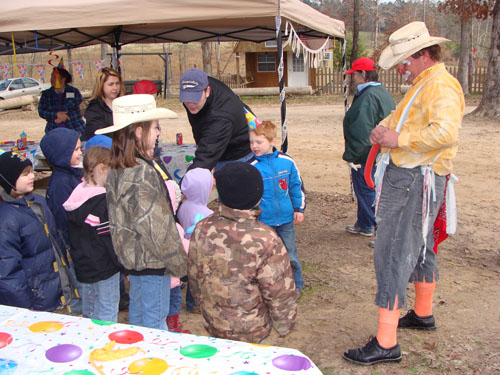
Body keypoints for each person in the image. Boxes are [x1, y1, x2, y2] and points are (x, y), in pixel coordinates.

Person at [343, 22, 465, 365]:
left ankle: (386, 341)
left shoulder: (439, 86)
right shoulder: (425, 84)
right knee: (420, 245)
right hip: (418, 177)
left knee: (392, 250)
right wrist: (385, 129)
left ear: (423, 55)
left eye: (405, 60)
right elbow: (405, 117)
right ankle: (422, 313)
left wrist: (397, 140)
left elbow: (444, 133)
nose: (401, 67)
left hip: (414, 177)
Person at [96, 94, 187, 330]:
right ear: (138, 131)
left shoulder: (120, 166)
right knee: (155, 324)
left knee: (139, 320)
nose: (158, 132)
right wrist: (180, 265)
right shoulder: (141, 172)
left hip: (134, 261)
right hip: (152, 262)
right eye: (155, 127)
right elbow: (156, 228)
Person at [187, 162, 298, 343]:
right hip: (252, 330)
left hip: (214, 321)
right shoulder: (265, 238)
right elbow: (278, 290)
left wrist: (201, 304)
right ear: (257, 197)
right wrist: (285, 323)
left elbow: (194, 274)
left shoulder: (203, 228)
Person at [63, 140, 123, 322]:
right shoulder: (102, 202)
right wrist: (120, 262)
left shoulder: (76, 195)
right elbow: (108, 239)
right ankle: (103, 345)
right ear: (101, 168)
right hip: (105, 267)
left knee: (89, 308)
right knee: (107, 308)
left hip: (83, 266)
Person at [0, 152, 62, 311]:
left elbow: (54, 244)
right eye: (24, 174)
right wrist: (26, 306)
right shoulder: (6, 219)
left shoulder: (38, 202)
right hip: (32, 300)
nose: (32, 176)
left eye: (31, 171)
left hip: (50, 290)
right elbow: (7, 272)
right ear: (9, 180)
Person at [249, 121, 306, 291]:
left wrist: (299, 209)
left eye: (259, 142)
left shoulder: (287, 162)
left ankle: (296, 286)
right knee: (264, 256)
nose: (254, 146)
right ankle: (267, 287)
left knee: (290, 254)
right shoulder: (251, 166)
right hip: (263, 221)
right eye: (251, 142)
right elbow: (248, 196)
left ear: (272, 142)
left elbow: (296, 187)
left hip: (286, 218)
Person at [342, 57, 395, 238]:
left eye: (354, 75)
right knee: (368, 189)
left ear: (363, 74)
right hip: (378, 152)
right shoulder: (380, 92)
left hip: (367, 154)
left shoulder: (368, 96)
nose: (352, 78)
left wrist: (354, 155)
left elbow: (362, 129)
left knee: (367, 190)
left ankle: (376, 229)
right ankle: (365, 223)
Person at [179, 68, 252, 171]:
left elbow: (205, 158)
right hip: (216, 139)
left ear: (207, 91)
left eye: (195, 98)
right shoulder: (201, 83)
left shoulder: (220, 117)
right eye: (186, 97)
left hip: (238, 154)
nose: (190, 103)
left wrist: (183, 184)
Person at [177, 167, 214, 314]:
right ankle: (195, 304)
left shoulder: (183, 206)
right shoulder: (207, 213)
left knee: (190, 274)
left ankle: (191, 302)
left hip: (184, 246)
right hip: (200, 250)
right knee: (199, 278)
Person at [38, 67, 86, 137]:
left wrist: (64, 117)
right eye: (51, 76)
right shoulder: (46, 94)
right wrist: (56, 115)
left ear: (63, 79)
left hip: (76, 130)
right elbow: (41, 111)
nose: (52, 79)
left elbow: (81, 109)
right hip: (53, 131)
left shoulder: (74, 91)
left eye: (54, 77)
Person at [85, 67, 125, 139]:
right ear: (101, 86)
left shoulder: (126, 104)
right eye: (111, 84)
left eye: (117, 83)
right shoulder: (94, 109)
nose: (115, 87)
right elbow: (96, 134)